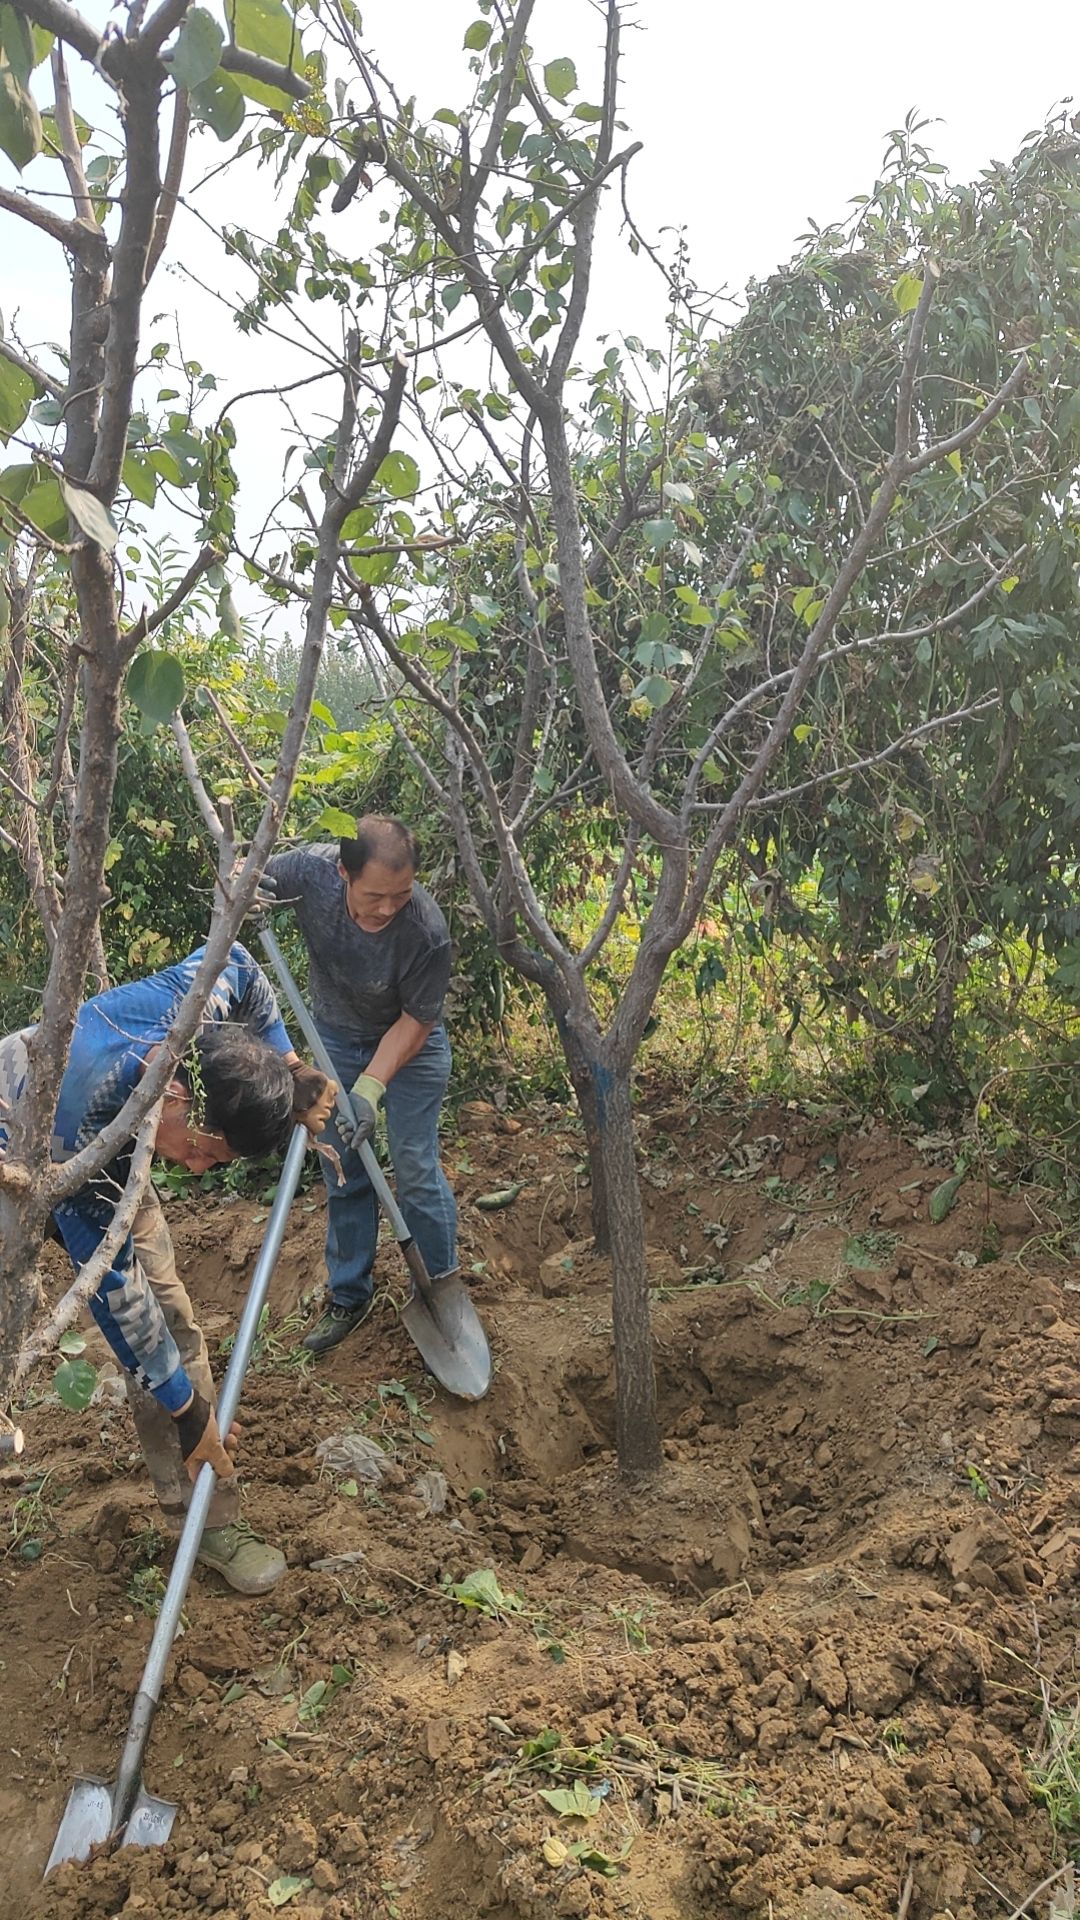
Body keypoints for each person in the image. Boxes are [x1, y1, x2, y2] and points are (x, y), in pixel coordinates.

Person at [0, 943, 336, 1594]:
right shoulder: (85, 1127)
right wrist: (188, 1414)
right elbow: (117, 1297)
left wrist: (290, 1068)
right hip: (26, 1146)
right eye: (207, 1153)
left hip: (123, 1134)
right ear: (179, 1098)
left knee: (175, 1328)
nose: (202, 1168)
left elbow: (236, 958)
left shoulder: (197, 1009)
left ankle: (207, 1520)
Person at [263, 815, 457, 1354]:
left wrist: (370, 1088)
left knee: (414, 1164)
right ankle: (349, 1295)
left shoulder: (425, 930)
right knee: (343, 1166)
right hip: (335, 1038)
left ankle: (441, 1286)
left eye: (401, 894)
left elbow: (417, 1022)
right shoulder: (308, 873)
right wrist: (242, 890)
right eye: (375, 895)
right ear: (344, 873)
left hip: (410, 1043)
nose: (388, 908)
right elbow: (241, 875)